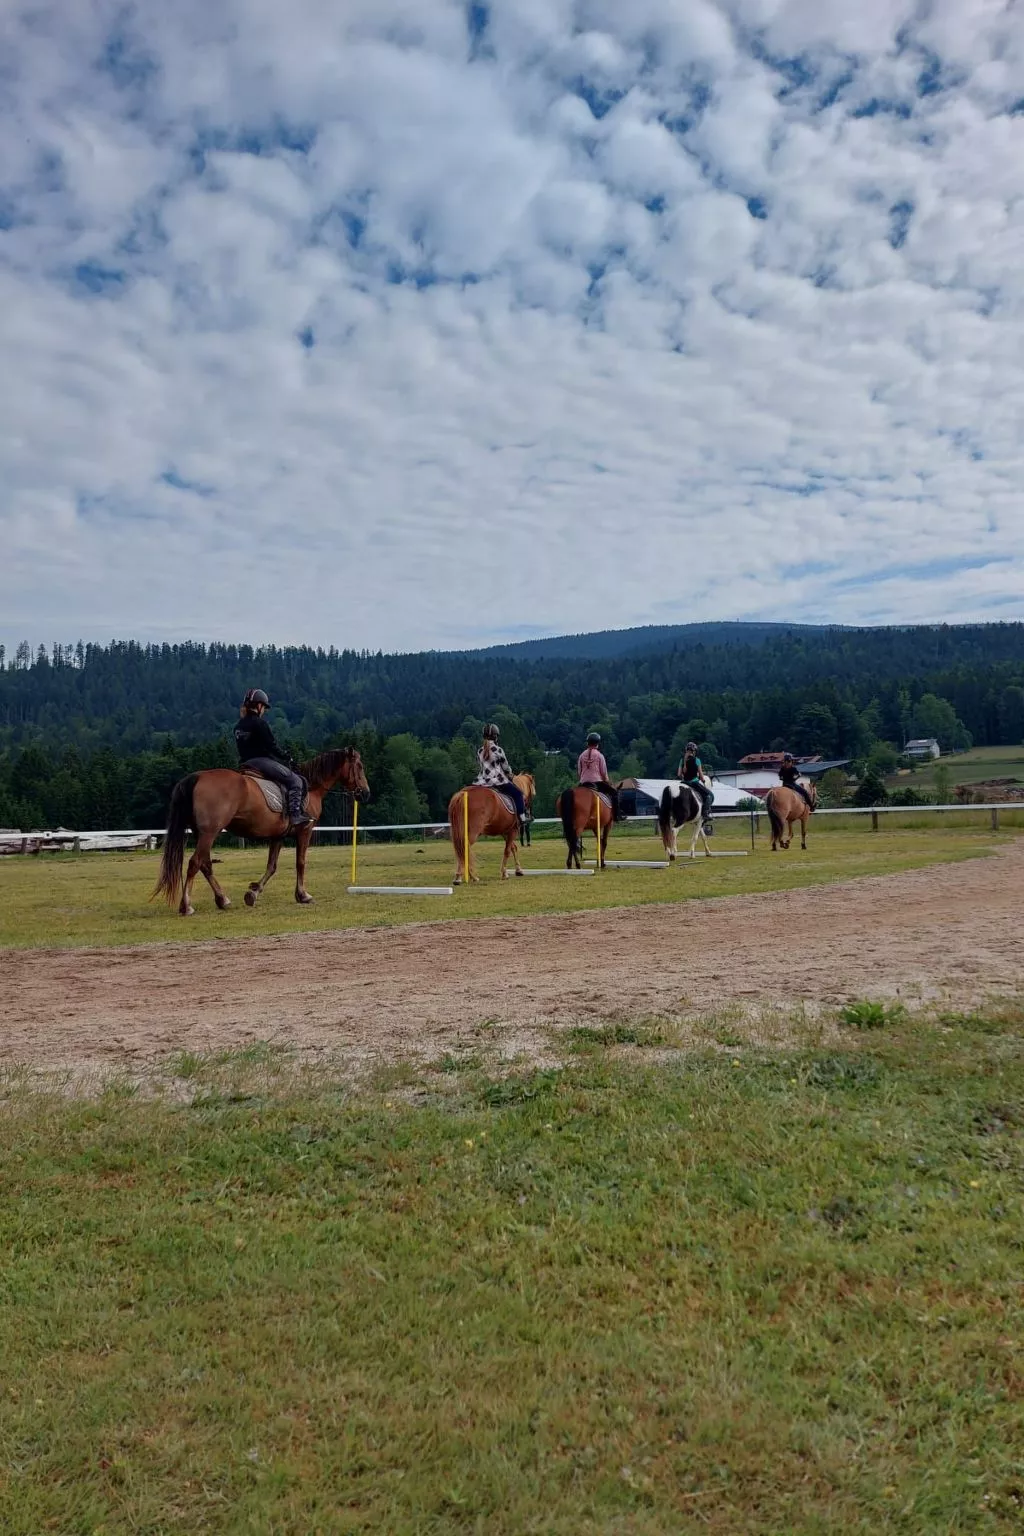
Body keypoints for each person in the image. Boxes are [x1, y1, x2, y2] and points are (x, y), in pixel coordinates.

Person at [234, 688, 312, 828]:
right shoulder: (260, 723)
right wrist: (287, 757)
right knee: (295, 781)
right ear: (258, 706)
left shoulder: (238, 726)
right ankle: (295, 815)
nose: (263, 710)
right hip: (261, 762)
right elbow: (272, 746)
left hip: (245, 764)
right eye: (263, 707)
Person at [474, 724, 529, 837]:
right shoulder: (498, 749)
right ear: (495, 737)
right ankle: (522, 818)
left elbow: (481, 766)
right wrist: (509, 773)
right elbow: (505, 766)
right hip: (498, 781)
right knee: (518, 794)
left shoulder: (479, 751)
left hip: (481, 782)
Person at [577, 732, 620, 821]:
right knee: (614, 793)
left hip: (583, 783)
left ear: (587, 742)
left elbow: (579, 771)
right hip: (597, 783)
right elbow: (604, 773)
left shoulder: (581, 755)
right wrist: (607, 781)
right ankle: (617, 816)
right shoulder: (600, 756)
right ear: (597, 743)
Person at [679, 740, 713, 829]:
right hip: (693, 783)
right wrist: (702, 780)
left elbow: (679, 774)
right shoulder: (697, 760)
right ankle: (705, 814)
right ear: (694, 751)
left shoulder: (682, 760)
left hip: (684, 782)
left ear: (686, 750)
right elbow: (701, 776)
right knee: (709, 796)